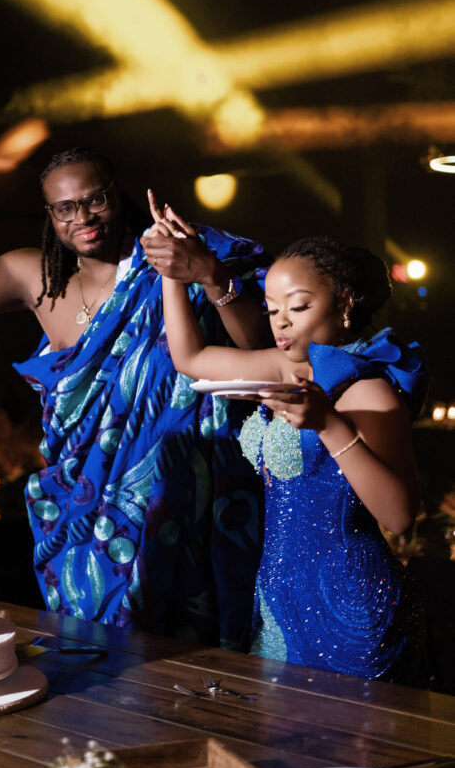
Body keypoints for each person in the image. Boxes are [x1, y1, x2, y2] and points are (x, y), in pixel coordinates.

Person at [0, 74, 271, 645]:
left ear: (118, 193)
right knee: (104, 675)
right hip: (86, 520)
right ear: (49, 217)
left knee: (191, 667)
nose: (81, 217)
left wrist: (209, 275)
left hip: (184, 508)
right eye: (64, 209)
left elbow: (257, 346)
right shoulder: (38, 281)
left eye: (93, 199)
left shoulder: (177, 256)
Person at [150, 200, 427, 681]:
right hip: (277, 599)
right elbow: (190, 358)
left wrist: (329, 423)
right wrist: (173, 270)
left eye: (298, 307)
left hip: (349, 606)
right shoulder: (290, 368)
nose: (280, 321)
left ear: (344, 302)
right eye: (273, 309)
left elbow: (400, 516)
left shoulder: (369, 388)